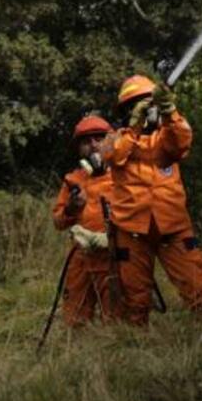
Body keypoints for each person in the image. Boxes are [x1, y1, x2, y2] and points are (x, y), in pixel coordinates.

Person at [98, 75, 202, 326]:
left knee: (197, 285)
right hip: (131, 232)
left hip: (173, 228)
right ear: (127, 111)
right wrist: (134, 128)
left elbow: (182, 142)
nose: (145, 107)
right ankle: (135, 350)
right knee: (134, 297)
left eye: (148, 102)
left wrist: (170, 111)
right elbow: (111, 155)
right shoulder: (117, 138)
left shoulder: (167, 134)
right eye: (137, 104)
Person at [50, 114, 115, 325]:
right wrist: (70, 208)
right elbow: (58, 222)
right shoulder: (72, 180)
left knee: (116, 319)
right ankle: (78, 356)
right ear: (79, 148)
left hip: (114, 256)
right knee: (75, 320)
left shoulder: (123, 175)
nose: (94, 145)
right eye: (86, 141)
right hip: (81, 258)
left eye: (99, 138)